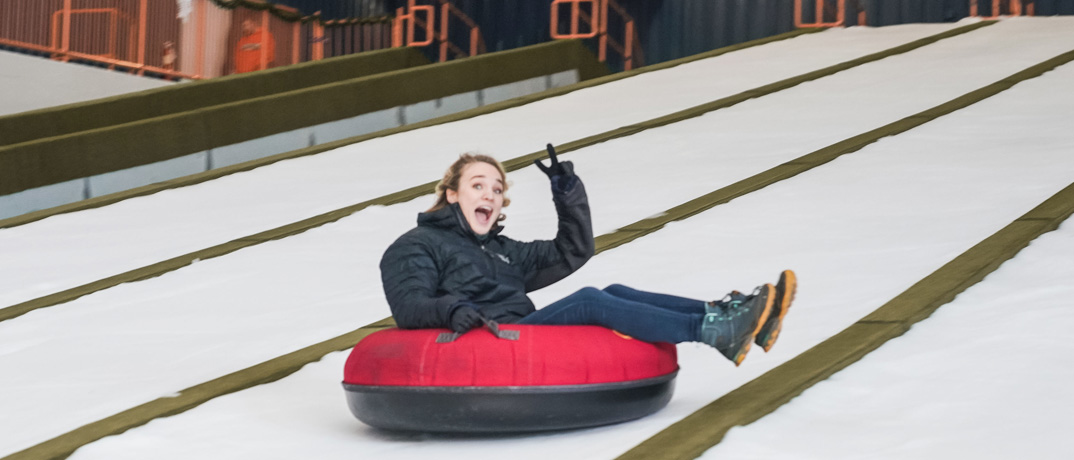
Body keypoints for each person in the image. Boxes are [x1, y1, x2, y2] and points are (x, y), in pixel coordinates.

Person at [379, 146, 796, 366]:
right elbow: (409, 305)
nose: (490, 193)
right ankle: (714, 330)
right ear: (452, 194)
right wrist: (452, 309)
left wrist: (567, 193)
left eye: (497, 188)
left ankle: (727, 316)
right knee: (590, 301)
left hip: (519, 333)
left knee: (612, 289)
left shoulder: (502, 251)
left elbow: (573, 250)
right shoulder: (416, 245)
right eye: (477, 185)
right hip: (490, 339)